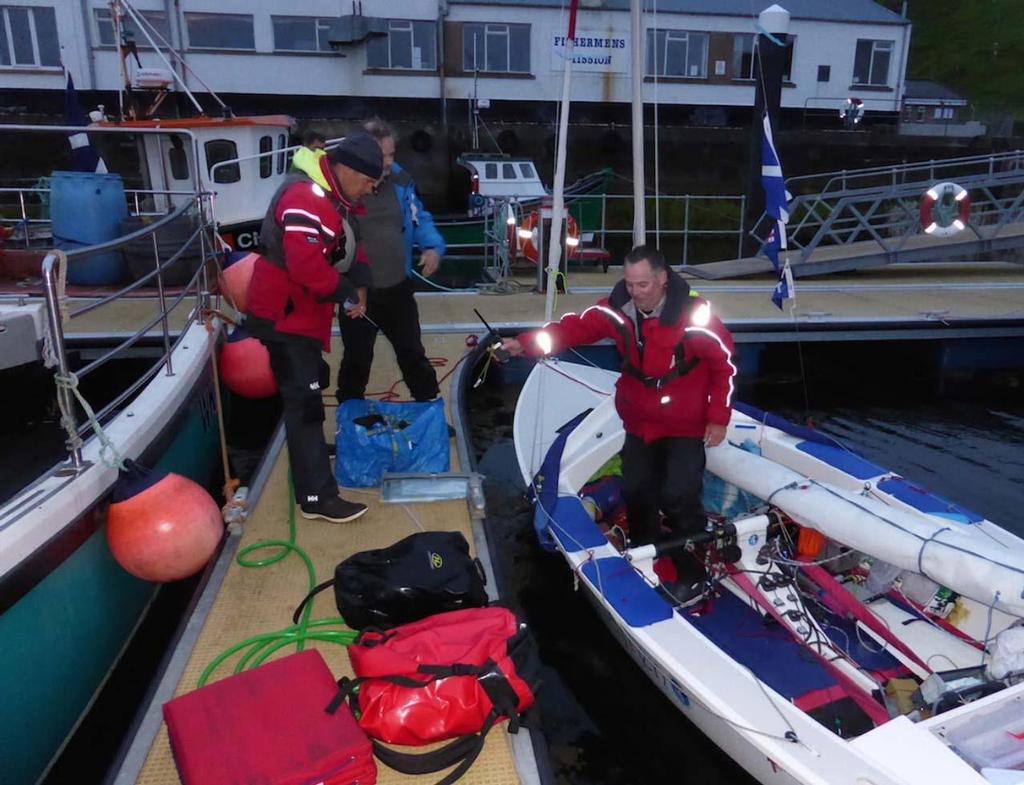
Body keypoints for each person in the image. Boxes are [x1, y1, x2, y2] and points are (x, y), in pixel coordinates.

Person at [502, 246, 736, 602]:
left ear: (661, 279)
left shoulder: (695, 316)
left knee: (679, 496)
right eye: (629, 284)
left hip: (684, 424)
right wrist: (525, 344)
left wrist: (719, 418)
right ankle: (645, 553)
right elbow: (573, 330)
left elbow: (725, 367)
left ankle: (693, 570)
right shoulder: (616, 308)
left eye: (643, 284)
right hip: (639, 420)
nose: (635, 291)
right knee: (638, 491)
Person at [246, 131, 383, 523]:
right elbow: (305, 263)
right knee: (304, 404)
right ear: (348, 169)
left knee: (309, 387)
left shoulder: (336, 197)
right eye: (370, 182)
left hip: (302, 314)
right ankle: (316, 498)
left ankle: (312, 462)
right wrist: (345, 295)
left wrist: (360, 286)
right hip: (283, 314)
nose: (371, 191)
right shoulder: (305, 197)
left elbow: (352, 245)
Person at [335, 117, 446, 404]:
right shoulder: (344, 187)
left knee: (412, 352)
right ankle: (349, 417)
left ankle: (429, 408)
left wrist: (433, 246)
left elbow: (419, 217)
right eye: (381, 155)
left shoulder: (400, 180)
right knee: (357, 358)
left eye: (391, 154)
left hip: (398, 286)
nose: (387, 162)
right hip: (359, 291)